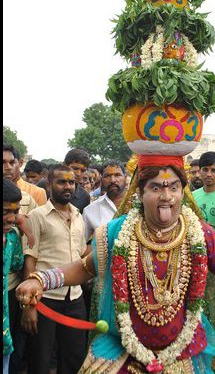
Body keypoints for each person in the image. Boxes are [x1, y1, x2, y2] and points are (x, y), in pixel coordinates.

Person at [16, 163, 215, 374]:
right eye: (156, 187)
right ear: (140, 193)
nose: (166, 196)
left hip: (183, 355)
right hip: (124, 353)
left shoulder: (199, 235)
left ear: (182, 192)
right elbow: (84, 268)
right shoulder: (117, 232)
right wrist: (42, 279)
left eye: (173, 187)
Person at [21, 164, 88, 374]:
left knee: (73, 358)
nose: (67, 186)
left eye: (71, 182)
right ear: (49, 185)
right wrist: (29, 305)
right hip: (44, 299)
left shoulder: (79, 216)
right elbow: (30, 260)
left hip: (75, 297)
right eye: (61, 182)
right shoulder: (37, 216)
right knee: (40, 361)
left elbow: (80, 254)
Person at [3, 179, 24, 374]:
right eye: (5, 212)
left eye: (15, 212)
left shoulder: (11, 238)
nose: (11, 218)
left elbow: (18, 264)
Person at [83, 160, 127, 242]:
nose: (113, 180)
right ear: (101, 179)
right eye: (107, 176)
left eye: (117, 175)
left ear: (125, 177)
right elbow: (82, 245)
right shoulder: (90, 210)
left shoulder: (140, 203)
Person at [64, 148, 90, 213]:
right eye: (75, 168)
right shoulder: (46, 187)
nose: (78, 174)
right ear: (64, 166)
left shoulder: (84, 196)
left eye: (83, 170)